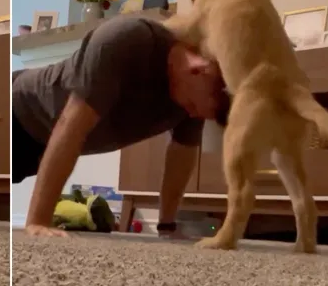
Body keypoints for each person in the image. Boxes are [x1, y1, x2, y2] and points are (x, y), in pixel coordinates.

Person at [12, 15, 229, 237]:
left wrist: (166, 226)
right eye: (192, 106)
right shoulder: (126, 39)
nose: (192, 114)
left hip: (43, 143)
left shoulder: (197, 94)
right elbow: (70, 125)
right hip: (18, 113)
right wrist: (38, 221)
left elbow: (181, 159)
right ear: (197, 70)